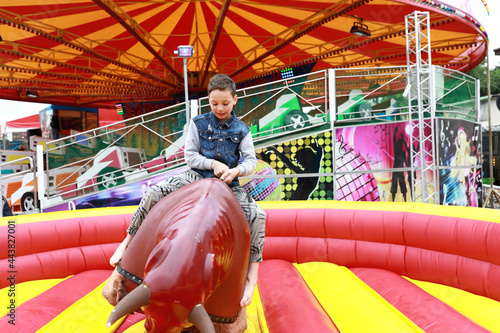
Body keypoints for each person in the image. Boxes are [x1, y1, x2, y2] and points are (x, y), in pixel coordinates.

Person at [109, 74, 266, 308]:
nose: (219, 108)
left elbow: (251, 161)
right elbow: (190, 155)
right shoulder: (198, 123)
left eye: (224, 103)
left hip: (228, 183)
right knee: (154, 193)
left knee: (258, 216)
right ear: (208, 101)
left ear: (234, 99)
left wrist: (236, 172)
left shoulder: (242, 130)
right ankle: (127, 241)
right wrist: (212, 164)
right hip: (195, 176)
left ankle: (251, 278)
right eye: (214, 103)